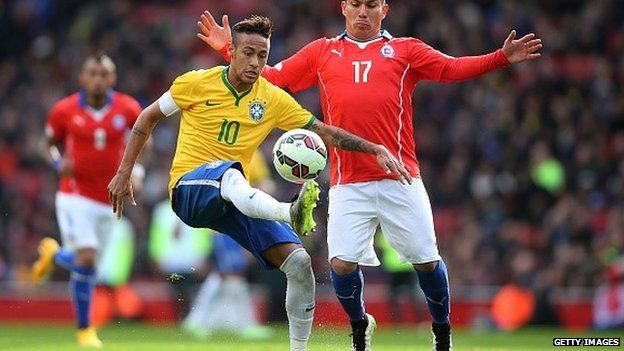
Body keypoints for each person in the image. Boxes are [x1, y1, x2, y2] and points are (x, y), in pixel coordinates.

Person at [196, 1, 542, 350]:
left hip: (401, 178)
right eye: (356, 4)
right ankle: (360, 327)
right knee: (341, 265)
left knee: (426, 262)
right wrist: (230, 50)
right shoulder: (323, 51)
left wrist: (499, 57)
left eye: (371, 5)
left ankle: (442, 333)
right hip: (349, 182)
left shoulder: (406, 50)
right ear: (344, 8)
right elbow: (274, 77)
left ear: (384, 10)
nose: (363, 11)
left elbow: (451, 68)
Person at [107, 15, 409, 351]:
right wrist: (123, 173)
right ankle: (288, 212)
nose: (255, 62)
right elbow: (147, 117)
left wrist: (374, 148)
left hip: (234, 199)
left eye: (262, 56)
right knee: (233, 173)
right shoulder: (194, 83)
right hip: (189, 190)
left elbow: (323, 131)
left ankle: (299, 349)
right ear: (231, 51)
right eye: (248, 53)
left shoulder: (272, 98)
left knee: (299, 264)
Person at [32, 54, 143, 348]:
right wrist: (58, 164)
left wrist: (138, 170)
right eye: (92, 73)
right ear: (83, 77)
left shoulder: (128, 108)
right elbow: (45, 145)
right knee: (87, 258)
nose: (98, 79)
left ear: (112, 78)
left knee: (90, 269)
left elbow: (145, 138)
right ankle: (85, 331)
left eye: (104, 73)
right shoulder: (64, 110)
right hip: (74, 194)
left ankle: (53, 253)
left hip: (110, 198)